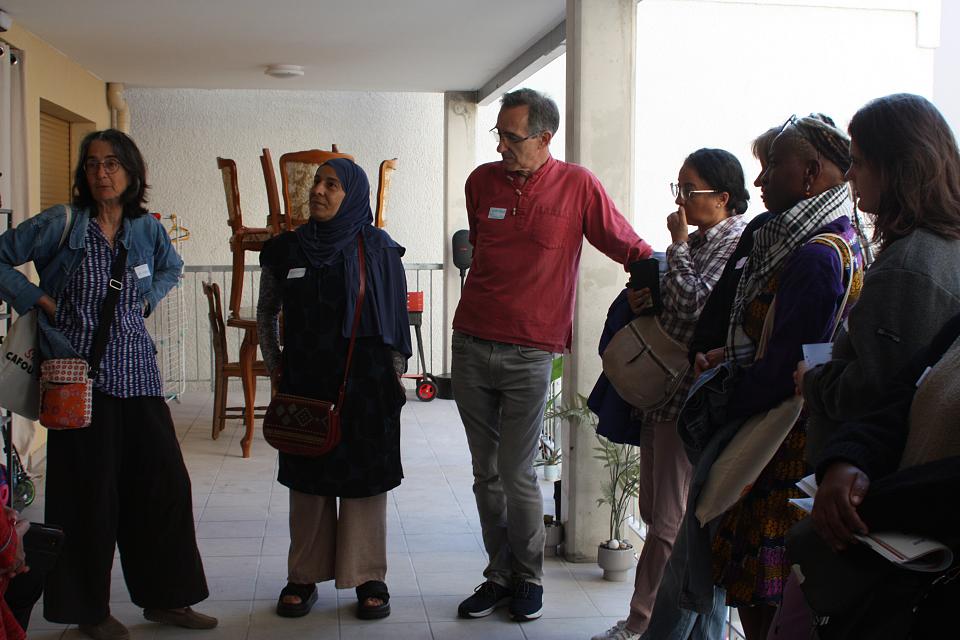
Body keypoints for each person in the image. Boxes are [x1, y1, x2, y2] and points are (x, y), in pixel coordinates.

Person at [0, 129, 215, 640]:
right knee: (87, 499)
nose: (102, 172)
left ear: (132, 171)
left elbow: (171, 266)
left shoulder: (144, 228)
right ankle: (87, 611)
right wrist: (36, 299)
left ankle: (167, 599)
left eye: (113, 163)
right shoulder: (62, 223)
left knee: (163, 488)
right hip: (78, 381)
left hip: (140, 376)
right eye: (93, 164)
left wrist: (145, 301)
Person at [451, 88, 652, 622]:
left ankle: (529, 577)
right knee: (485, 473)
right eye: (498, 134)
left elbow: (623, 241)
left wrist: (661, 266)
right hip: (471, 343)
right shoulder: (481, 182)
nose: (502, 146)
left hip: (530, 352)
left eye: (512, 137)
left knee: (516, 473)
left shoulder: (577, 185)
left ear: (544, 138)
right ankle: (498, 575)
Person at [693, 114, 864, 640]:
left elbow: (782, 370)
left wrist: (721, 398)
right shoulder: (841, 237)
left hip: (779, 446)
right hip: (795, 436)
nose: (761, 180)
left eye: (773, 167)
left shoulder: (814, 256)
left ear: (811, 172)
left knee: (761, 594)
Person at [591, 149, 749, 640]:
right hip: (664, 397)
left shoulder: (732, 242)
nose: (680, 200)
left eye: (690, 190)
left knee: (667, 523)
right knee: (654, 512)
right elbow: (674, 307)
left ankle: (641, 625)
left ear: (723, 198)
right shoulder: (703, 241)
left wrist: (677, 246)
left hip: (691, 400)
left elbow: (696, 306)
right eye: (677, 187)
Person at [257, 158, 410, 621]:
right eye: (316, 183)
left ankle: (367, 576)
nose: (318, 192)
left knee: (364, 483)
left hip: (366, 385)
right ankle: (303, 577)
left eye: (332, 185)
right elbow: (266, 314)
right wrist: (276, 368)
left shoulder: (379, 248)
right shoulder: (285, 250)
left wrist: (394, 380)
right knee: (307, 482)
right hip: (305, 382)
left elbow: (397, 323)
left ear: (354, 195)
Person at [798, 93, 960, 458]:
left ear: (896, 169)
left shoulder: (908, 269)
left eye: (858, 162)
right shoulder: (939, 246)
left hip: (869, 478)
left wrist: (813, 380)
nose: (851, 175)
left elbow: (877, 392)